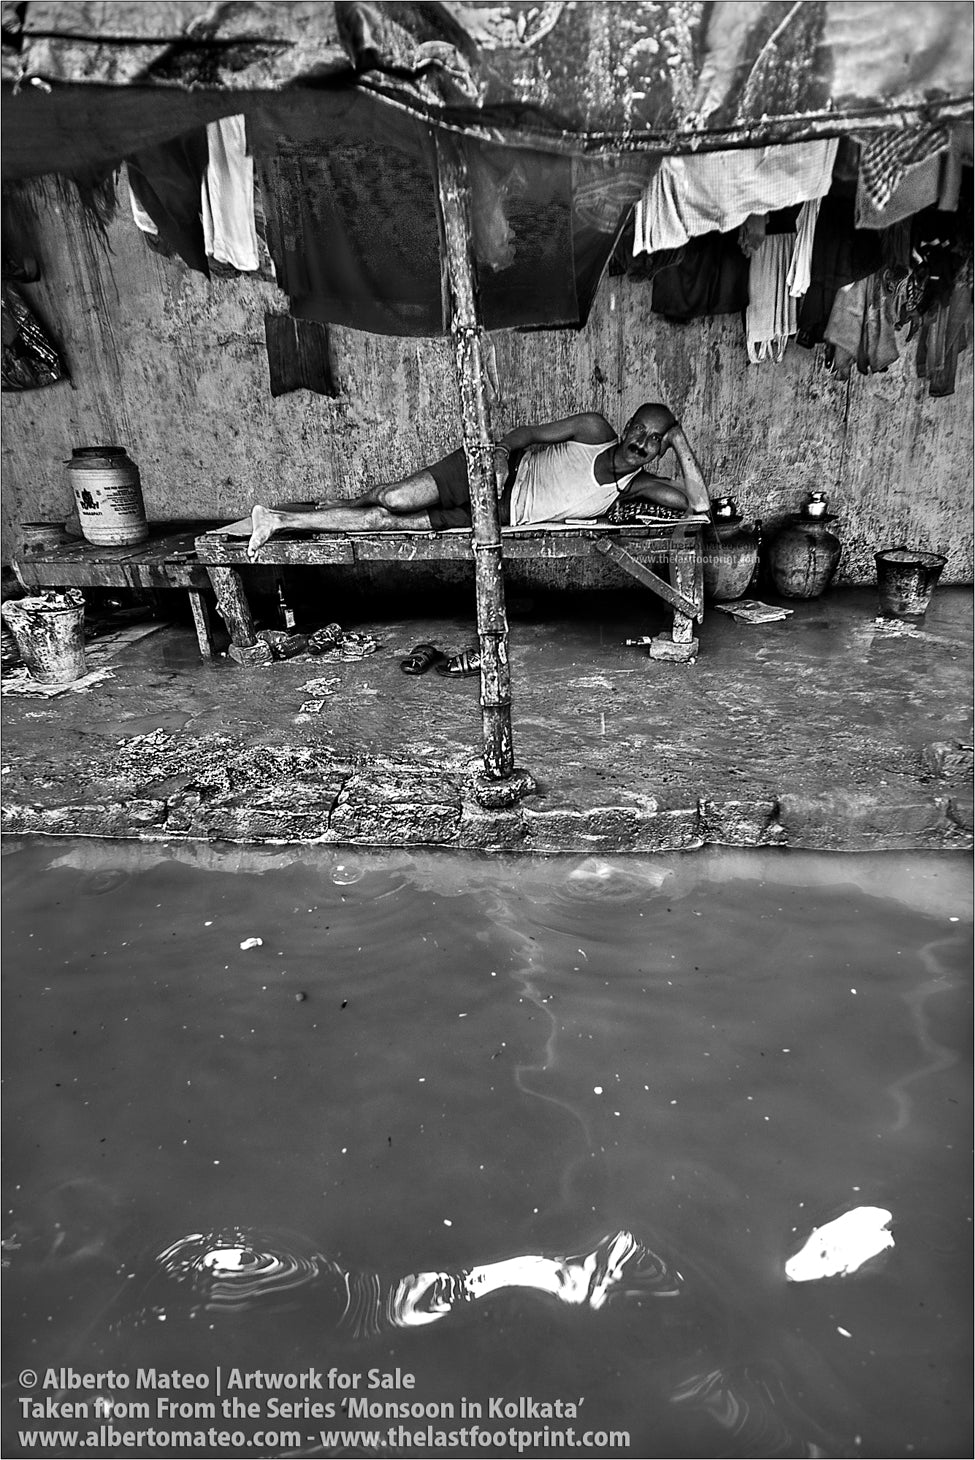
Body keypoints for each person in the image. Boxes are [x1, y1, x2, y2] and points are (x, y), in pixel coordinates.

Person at [245, 402, 710, 559]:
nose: (642, 443)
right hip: (491, 475)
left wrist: (680, 438)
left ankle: (282, 521)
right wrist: (504, 454)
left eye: (655, 441)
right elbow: (526, 434)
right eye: (639, 430)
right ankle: (328, 508)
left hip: (496, 520)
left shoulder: (638, 486)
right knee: (394, 497)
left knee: (386, 521)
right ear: (626, 425)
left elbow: (700, 507)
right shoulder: (593, 430)